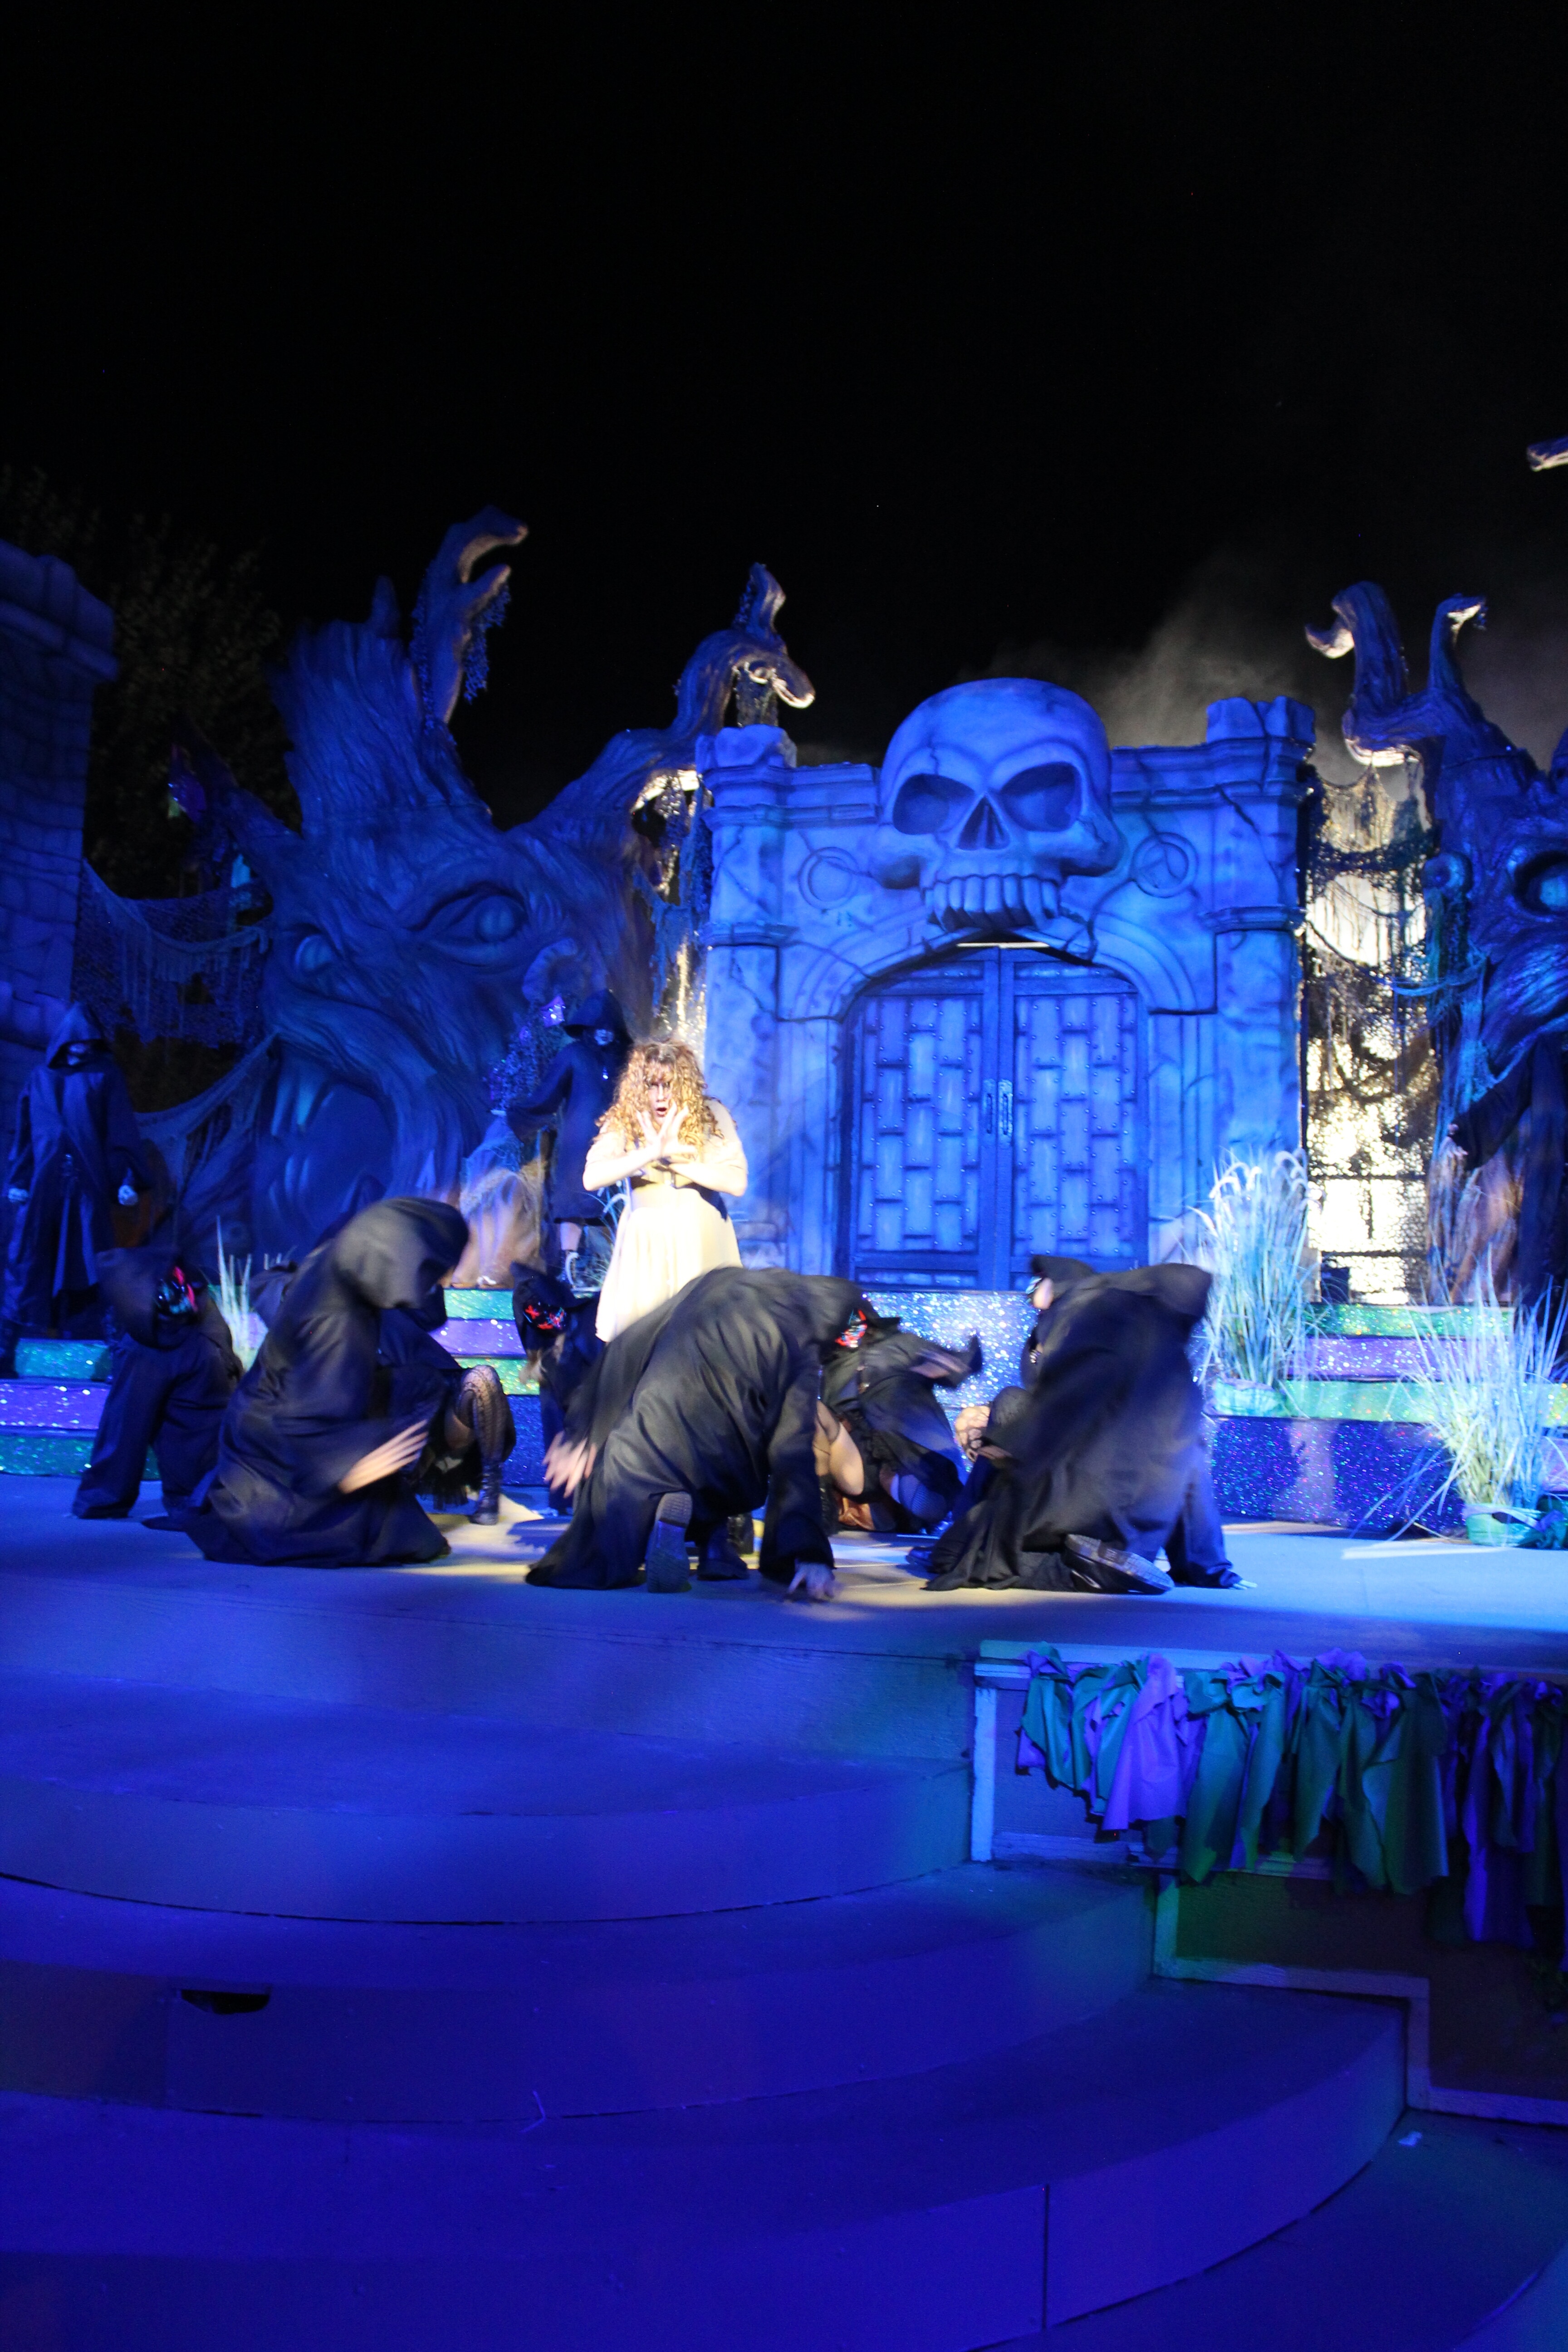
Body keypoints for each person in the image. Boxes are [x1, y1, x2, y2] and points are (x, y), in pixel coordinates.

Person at [524, 1267, 861, 1597]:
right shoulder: (799, 1339)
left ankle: (665, 1513)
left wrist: (583, 1431)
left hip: (643, 1445)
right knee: (741, 1457)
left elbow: (629, 1345)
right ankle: (715, 1547)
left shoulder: (715, 1283)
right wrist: (809, 1552)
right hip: (721, 1463)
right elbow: (793, 1448)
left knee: (603, 1544)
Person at [175, 1197, 474, 1566]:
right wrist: (349, 1463)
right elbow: (299, 1416)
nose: (440, 1279)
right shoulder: (335, 1320)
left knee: (422, 1384)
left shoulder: (342, 1263)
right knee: (404, 1538)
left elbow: (424, 1314)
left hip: (303, 1413)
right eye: (434, 1269)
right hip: (280, 1445)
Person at [921, 1262, 1222, 1594]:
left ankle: (1083, 1572)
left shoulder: (1102, 1331)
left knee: (960, 1554)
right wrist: (1208, 1568)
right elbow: (1193, 1470)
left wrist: (1006, 1447)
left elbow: (1063, 1407)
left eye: (1040, 1280)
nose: (1033, 1289)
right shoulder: (1178, 1375)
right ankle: (1109, 1561)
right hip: (1136, 1528)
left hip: (1078, 1504)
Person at [1, 1003, 150, 1365]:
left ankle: (109, 1353)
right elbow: (27, 1132)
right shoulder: (41, 1077)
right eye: (77, 1040)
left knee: (93, 1262)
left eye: (89, 1040)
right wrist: (20, 1178)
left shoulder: (104, 1076)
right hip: (44, 1186)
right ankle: (5, 1349)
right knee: (28, 1260)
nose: (83, 1047)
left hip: (86, 1187)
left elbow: (119, 1131)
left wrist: (126, 1179)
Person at [580, 1040, 746, 1343]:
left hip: (701, 1246)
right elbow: (592, 1178)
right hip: (647, 1251)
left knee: (704, 1341)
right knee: (643, 1344)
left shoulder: (710, 1113)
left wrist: (677, 1162)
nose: (661, 1096)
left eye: (668, 1085)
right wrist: (648, 1154)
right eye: (652, 1086)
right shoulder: (626, 1118)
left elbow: (736, 1182)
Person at [72, 1247, 242, 1519]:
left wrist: (99, 1500)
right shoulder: (204, 1317)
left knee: (130, 1420)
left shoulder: (147, 1346)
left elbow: (124, 1429)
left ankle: (104, 1498)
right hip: (231, 1480)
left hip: (197, 1491)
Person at [506, 991, 632, 1291]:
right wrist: (519, 1116)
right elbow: (548, 1094)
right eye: (598, 1026)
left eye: (609, 1027)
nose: (604, 1032)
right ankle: (568, 1265)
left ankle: (614, 1268)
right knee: (572, 1204)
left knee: (613, 1204)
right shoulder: (573, 1055)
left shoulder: (628, 1060)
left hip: (618, 1141)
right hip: (578, 1143)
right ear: (587, 1026)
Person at [817, 1309, 980, 1533]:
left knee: (890, 1400)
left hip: (904, 1439)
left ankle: (913, 1493)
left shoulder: (902, 1344)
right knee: (814, 1413)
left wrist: (940, 1366)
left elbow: (960, 1366)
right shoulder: (832, 1366)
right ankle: (821, 1508)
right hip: (857, 1456)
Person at [510, 1262, 602, 1510]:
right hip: (560, 1351)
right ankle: (566, 1497)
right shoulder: (530, 1292)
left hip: (587, 1335)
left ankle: (580, 1496)